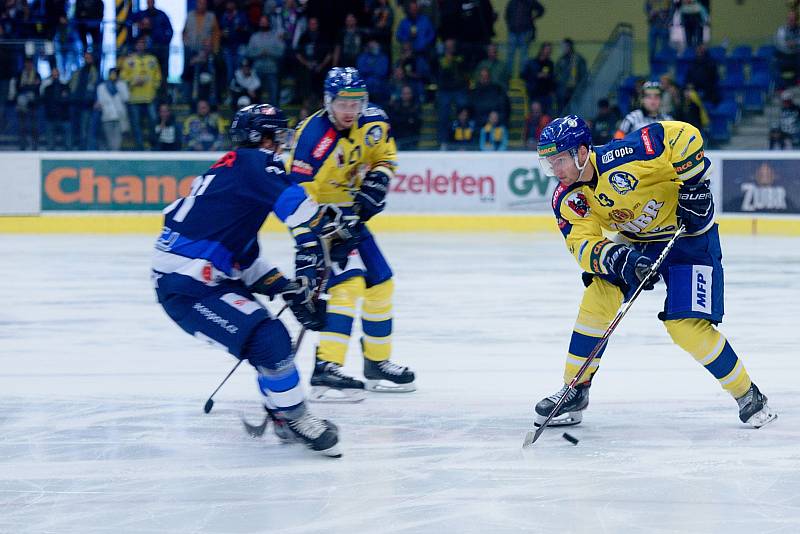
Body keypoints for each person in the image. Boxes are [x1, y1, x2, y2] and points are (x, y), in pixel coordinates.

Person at [533, 115, 777, 431]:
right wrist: (620, 259)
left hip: (689, 239)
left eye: (560, 160)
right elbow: (582, 245)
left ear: (582, 153)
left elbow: (684, 135)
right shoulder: (568, 198)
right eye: (549, 162)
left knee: (685, 326)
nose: (555, 169)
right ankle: (575, 390)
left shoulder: (624, 155)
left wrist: (693, 185)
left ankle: (748, 395)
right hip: (639, 243)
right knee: (599, 293)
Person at [151, 104, 355, 457]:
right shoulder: (256, 163)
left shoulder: (237, 180)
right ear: (261, 138)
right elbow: (300, 210)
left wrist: (288, 288)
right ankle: (295, 416)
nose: (283, 145)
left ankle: (280, 411)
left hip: (193, 279)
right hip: (187, 285)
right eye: (279, 136)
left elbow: (244, 260)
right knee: (269, 339)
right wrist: (323, 228)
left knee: (268, 340)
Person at [285, 67, 416, 402]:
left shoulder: (373, 123)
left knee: (381, 283)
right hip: (319, 219)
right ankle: (327, 367)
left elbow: (384, 157)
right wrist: (320, 229)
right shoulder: (313, 138)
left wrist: (379, 179)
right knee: (349, 285)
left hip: (352, 216)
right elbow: (293, 196)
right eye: (343, 103)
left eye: (356, 102)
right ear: (329, 102)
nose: (350, 110)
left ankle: (376, 363)